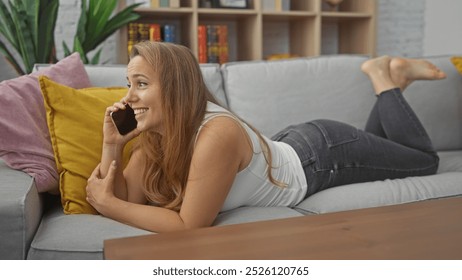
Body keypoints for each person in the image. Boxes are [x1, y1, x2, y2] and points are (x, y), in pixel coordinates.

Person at [85, 41, 446, 232]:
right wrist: (113, 144)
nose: (128, 97)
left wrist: (109, 205)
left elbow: (187, 224)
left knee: (425, 161)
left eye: (142, 85)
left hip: (323, 156)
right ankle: (394, 80)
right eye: (128, 84)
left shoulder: (216, 134)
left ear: (176, 89)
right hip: (296, 144)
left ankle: (384, 77)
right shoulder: (155, 137)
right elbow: (126, 198)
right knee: (383, 148)